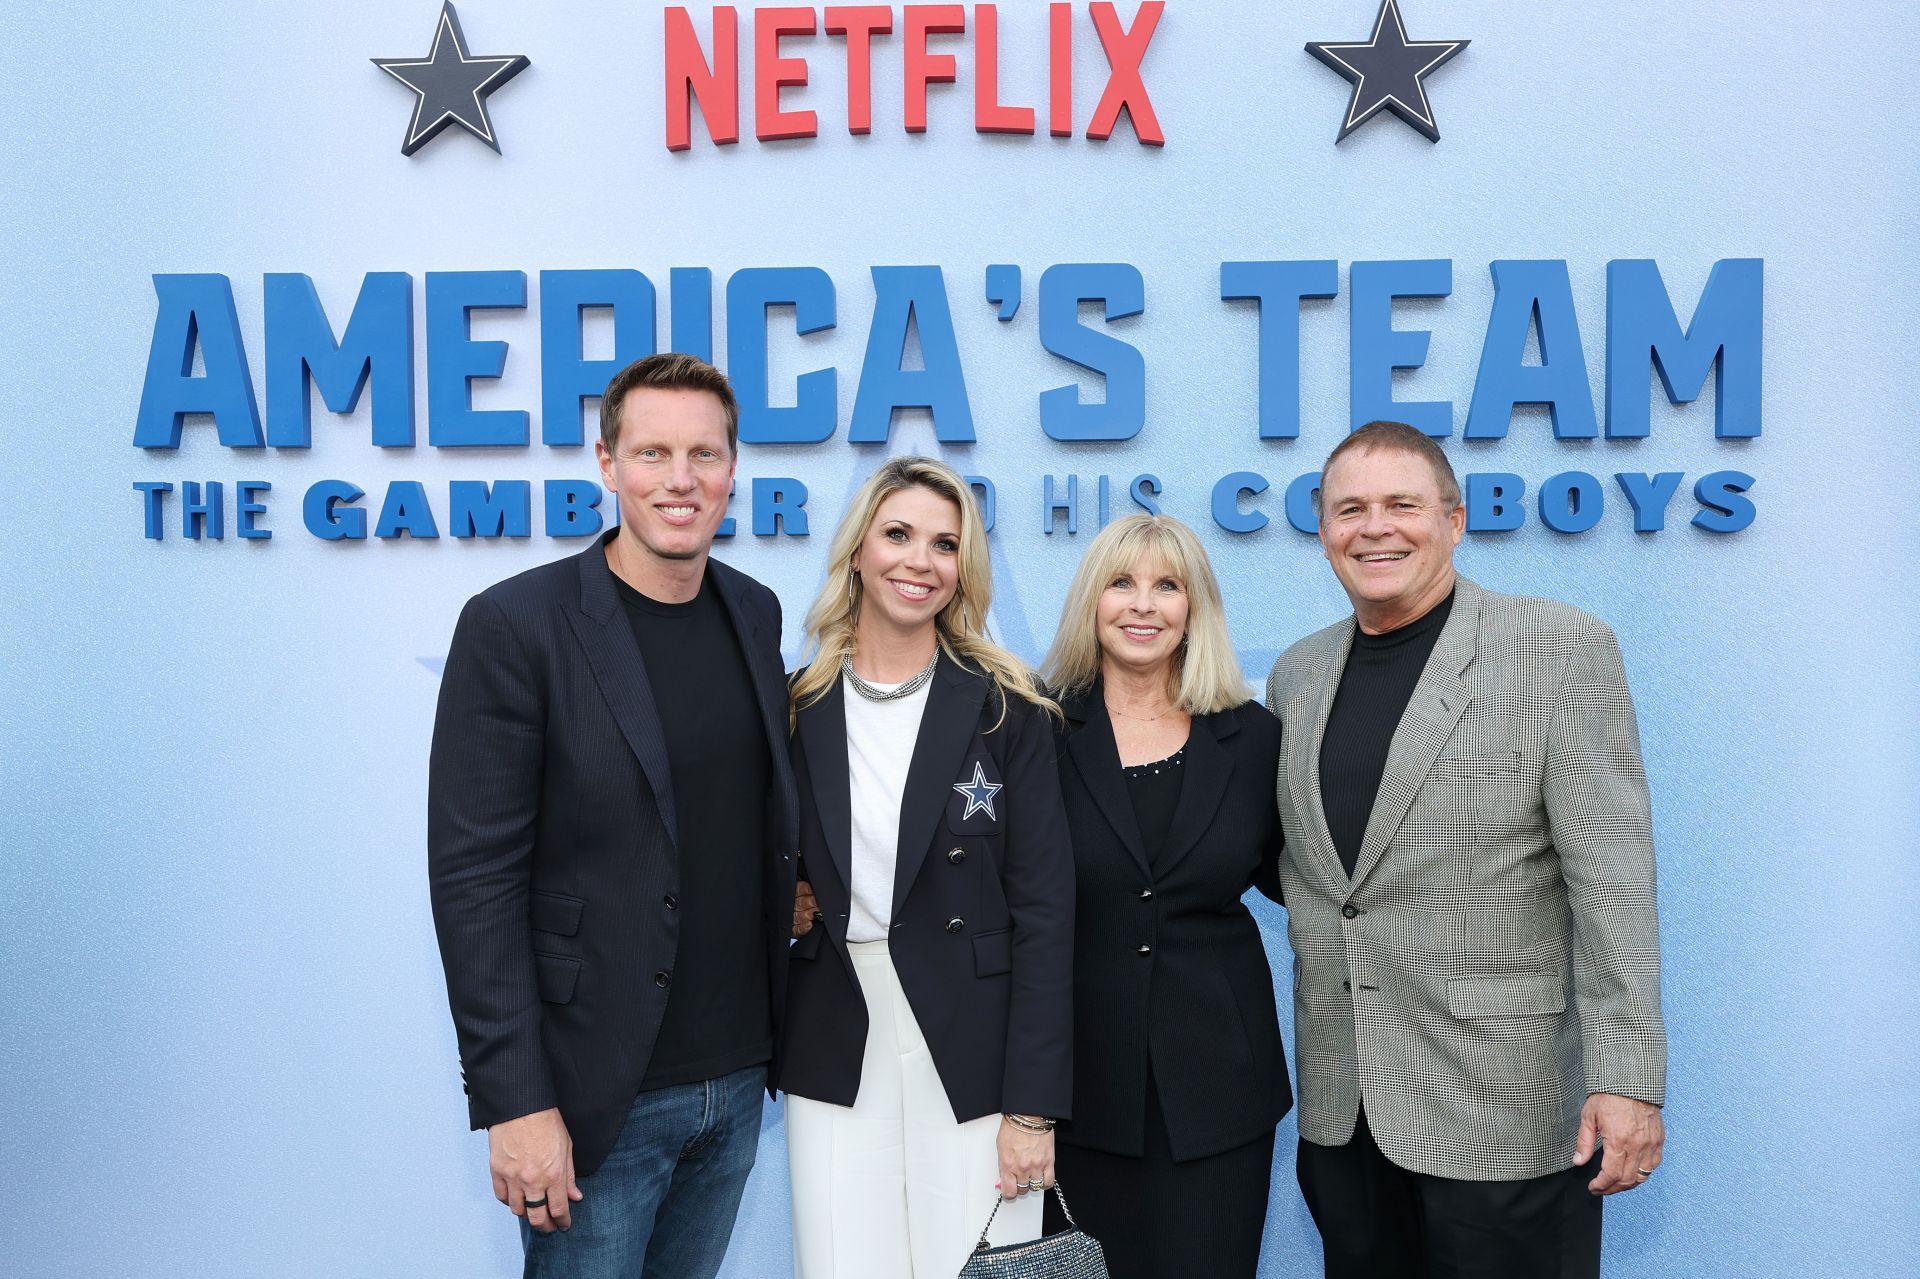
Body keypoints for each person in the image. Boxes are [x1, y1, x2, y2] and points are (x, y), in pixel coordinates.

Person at [1267, 420, 1667, 1278]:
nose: (1376, 527)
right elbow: (1321, 875)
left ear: (1453, 520)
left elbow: (1615, 882)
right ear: (1324, 529)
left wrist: (1628, 1077)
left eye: (1402, 504)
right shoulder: (1297, 675)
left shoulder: (1560, 647)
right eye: (1350, 509)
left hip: (1506, 1108)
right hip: (1346, 1112)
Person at [427, 353, 798, 1277]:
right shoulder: (517, 625)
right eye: (654, 452)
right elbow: (474, 880)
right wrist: (515, 1104)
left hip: (737, 1078)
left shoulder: (753, 611)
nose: (681, 479)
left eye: (704, 454)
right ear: (607, 463)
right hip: (594, 1097)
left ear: (733, 469)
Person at [779, 456, 1073, 1278]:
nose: (920, 560)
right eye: (899, 534)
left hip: (975, 1042)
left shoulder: (1009, 708)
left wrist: (1034, 1107)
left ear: (963, 568)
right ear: (859, 552)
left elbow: (1047, 914)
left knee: (980, 1266)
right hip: (835, 1033)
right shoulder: (796, 706)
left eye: (945, 544)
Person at [1036, 514, 1292, 1279]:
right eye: (1121, 582)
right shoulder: (1033, 728)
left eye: (1167, 586)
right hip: (1075, 1094)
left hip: (1220, 1091)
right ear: (1092, 599)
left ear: (1194, 607)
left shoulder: (1254, 738)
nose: (1142, 605)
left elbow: (1308, 881)